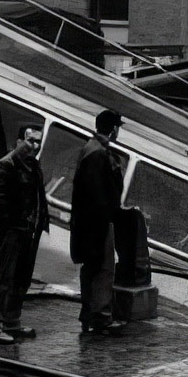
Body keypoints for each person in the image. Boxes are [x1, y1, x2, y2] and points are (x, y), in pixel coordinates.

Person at [0, 124, 49, 345]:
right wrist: (7, 230)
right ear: (19, 141)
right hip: (12, 232)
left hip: (27, 231)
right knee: (4, 279)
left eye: (38, 142)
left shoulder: (32, 166)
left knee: (21, 278)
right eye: (31, 141)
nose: (35, 146)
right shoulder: (6, 165)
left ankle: (11, 321)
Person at [70, 108, 125, 336]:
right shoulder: (99, 153)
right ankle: (100, 316)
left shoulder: (91, 148)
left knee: (91, 269)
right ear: (113, 130)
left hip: (89, 222)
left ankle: (89, 314)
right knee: (103, 269)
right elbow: (98, 193)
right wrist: (107, 217)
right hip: (97, 224)